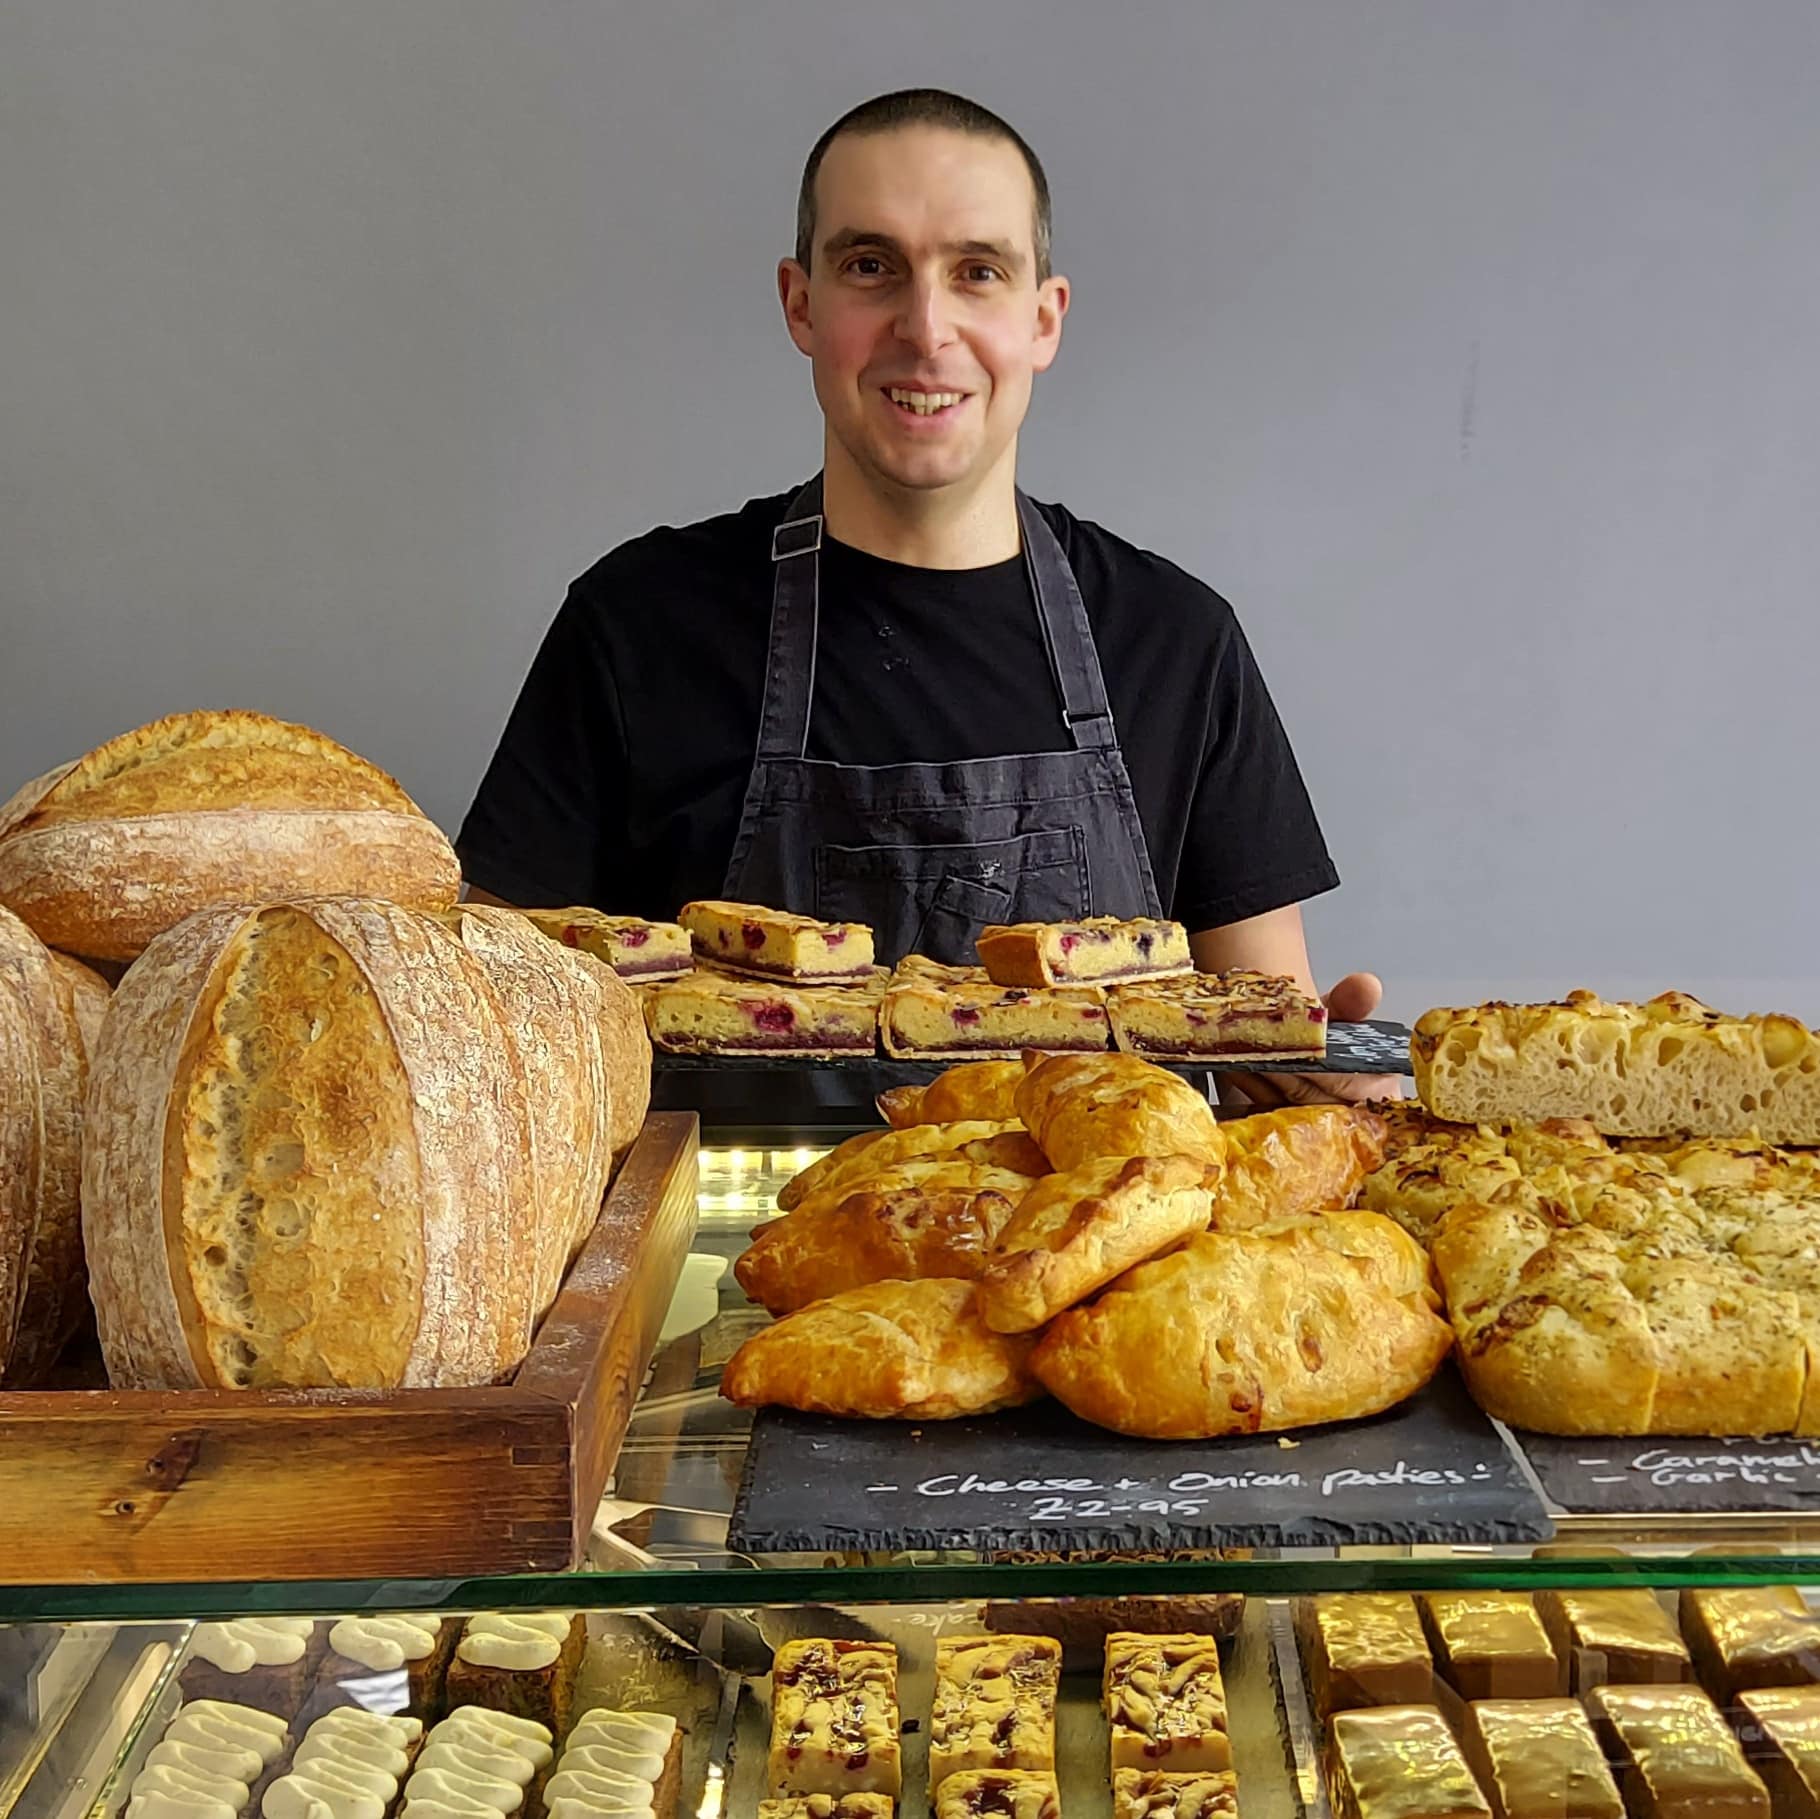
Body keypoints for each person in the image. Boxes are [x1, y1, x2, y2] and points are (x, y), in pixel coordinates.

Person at [459, 87, 1391, 1105]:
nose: (925, 327)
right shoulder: (637, 625)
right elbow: (488, 1034)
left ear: (1042, 320)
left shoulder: (1174, 641)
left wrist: (1326, 1089)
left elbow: (1273, 1049)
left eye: (976, 272)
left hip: (1083, 1256)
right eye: (871, 267)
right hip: (729, 1260)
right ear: (800, 305)